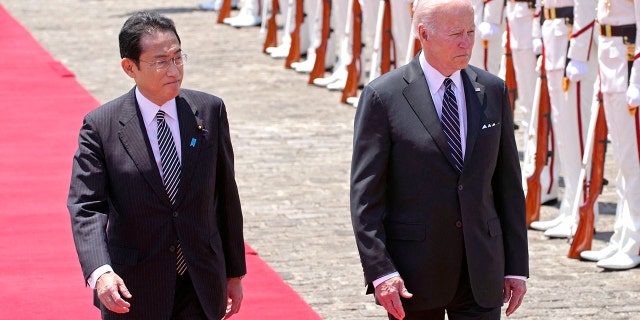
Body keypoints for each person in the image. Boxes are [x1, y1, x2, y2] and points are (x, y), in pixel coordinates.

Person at [350, 0, 529, 319]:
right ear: (424, 34)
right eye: (456, 33)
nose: (467, 42)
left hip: (481, 272)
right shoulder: (384, 96)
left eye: (471, 32)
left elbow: (508, 187)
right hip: (414, 274)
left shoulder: (492, 89)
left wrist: (516, 267)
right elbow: (366, 197)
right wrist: (381, 271)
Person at [67, 11, 246, 319]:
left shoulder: (208, 110)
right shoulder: (102, 126)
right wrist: (101, 272)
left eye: (178, 57)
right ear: (129, 67)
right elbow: (86, 205)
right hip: (134, 287)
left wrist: (234, 272)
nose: (173, 69)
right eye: (160, 61)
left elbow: (225, 196)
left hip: (201, 282)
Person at [578, 0, 640, 270]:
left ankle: (635, 243)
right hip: (612, 66)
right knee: (623, 165)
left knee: (634, 163)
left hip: (628, 70)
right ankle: (623, 236)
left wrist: (637, 79)